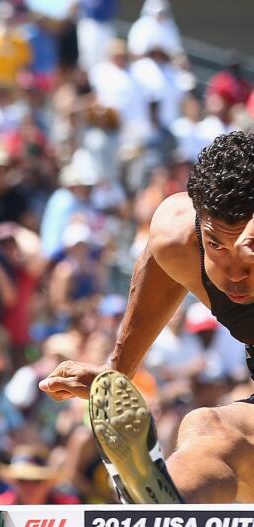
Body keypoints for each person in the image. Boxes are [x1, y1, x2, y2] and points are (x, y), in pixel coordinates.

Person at [40, 130, 254, 504]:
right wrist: (116, 374)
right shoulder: (179, 235)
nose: (234, 273)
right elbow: (159, 260)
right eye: (216, 245)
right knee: (207, 428)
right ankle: (158, 506)